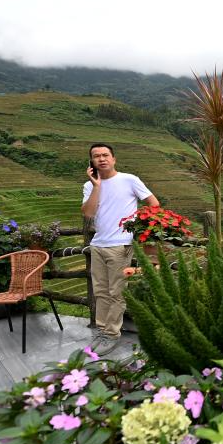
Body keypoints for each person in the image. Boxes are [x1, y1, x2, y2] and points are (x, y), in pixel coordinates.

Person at [81, 143, 159, 352]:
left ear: (114, 159)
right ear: (92, 161)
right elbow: (88, 213)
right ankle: (102, 330)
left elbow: (154, 204)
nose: (101, 159)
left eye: (105, 155)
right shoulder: (89, 186)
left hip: (120, 245)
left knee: (116, 292)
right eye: (96, 156)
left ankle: (111, 334)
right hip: (97, 244)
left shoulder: (129, 180)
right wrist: (96, 186)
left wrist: (138, 228)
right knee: (100, 292)